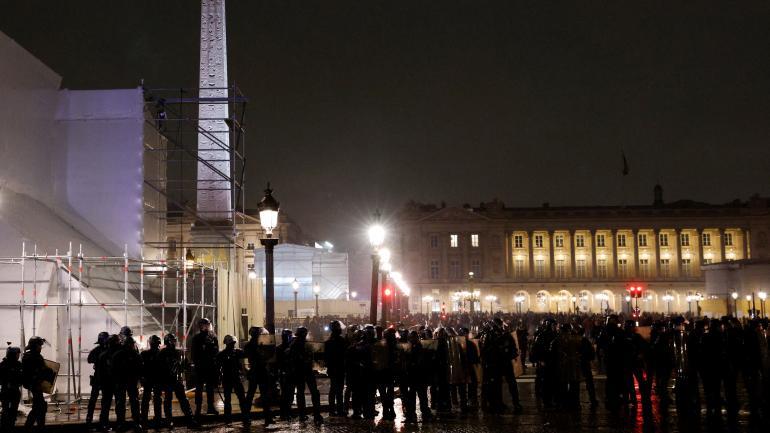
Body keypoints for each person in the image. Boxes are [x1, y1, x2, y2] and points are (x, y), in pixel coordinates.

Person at [158, 334, 197, 428]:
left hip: (177, 380)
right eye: (172, 341)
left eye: (174, 341)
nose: (174, 342)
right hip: (167, 381)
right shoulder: (162, 353)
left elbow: (185, 365)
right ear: (168, 341)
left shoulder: (179, 353)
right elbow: (159, 367)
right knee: (168, 401)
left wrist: (189, 367)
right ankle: (169, 421)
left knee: (183, 400)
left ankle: (190, 420)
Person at [286, 327, 323, 425]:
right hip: (305, 371)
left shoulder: (294, 344)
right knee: (313, 392)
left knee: (301, 393)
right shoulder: (303, 344)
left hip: (300, 372)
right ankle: (316, 414)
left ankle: (303, 414)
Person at [243, 326, 274, 426]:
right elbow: (265, 356)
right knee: (263, 395)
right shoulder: (256, 345)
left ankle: (247, 418)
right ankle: (267, 417)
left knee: (252, 395)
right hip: (260, 371)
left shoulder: (250, 345)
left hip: (256, 372)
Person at [22, 336, 53, 430]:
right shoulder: (34, 357)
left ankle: (38, 426)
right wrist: (49, 371)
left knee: (39, 406)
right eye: (39, 345)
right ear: (35, 346)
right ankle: (32, 427)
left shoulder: (27, 356)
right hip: (35, 385)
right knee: (39, 407)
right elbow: (42, 370)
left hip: (34, 384)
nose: (40, 348)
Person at [190, 318, 219, 417]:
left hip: (210, 367)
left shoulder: (213, 336)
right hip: (201, 367)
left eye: (207, 324)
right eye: (204, 324)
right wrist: (196, 365)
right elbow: (193, 354)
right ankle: (198, 409)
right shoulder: (196, 338)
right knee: (199, 389)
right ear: (201, 326)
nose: (206, 326)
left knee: (210, 388)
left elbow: (216, 351)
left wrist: (216, 365)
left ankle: (210, 407)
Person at [113, 336, 143, 431]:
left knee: (131, 402)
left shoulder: (133, 355)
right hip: (125, 382)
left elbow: (140, 369)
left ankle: (131, 423)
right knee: (124, 403)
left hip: (129, 382)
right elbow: (113, 369)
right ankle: (124, 423)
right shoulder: (120, 355)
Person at [403, 331, 432, 423]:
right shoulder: (412, 347)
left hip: (418, 377)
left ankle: (423, 415)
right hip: (414, 377)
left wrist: (411, 364)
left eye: (412, 337)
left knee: (421, 397)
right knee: (415, 397)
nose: (411, 339)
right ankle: (415, 414)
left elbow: (419, 362)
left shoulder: (419, 348)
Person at [85, 331, 109, 429]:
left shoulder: (99, 350)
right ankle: (93, 418)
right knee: (97, 400)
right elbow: (89, 359)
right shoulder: (103, 350)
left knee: (99, 400)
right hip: (101, 378)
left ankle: (92, 418)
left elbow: (90, 359)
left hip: (102, 378)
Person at [324, 320, 347, 417]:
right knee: (339, 390)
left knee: (333, 389)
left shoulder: (328, 342)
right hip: (340, 368)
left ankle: (332, 410)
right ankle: (339, 410)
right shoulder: (342, 341)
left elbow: (326, 357)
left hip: (332, 368)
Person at [140, 335, 163, 428]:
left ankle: (144, 419)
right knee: (156, 399)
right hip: (154, 379)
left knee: (147, 399)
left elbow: (140, 368)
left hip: (149, 379)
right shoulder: (160, 353)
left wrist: (142, 378)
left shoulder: (144, 354)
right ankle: (157, 419)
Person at [0, 344, 22, 431]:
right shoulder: (5, 365)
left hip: (11, 391)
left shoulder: (4, 364)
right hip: (8, 391)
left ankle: (7, 426)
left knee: (10, 411)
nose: (18, 355)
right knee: (7, 411)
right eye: (17, 354)